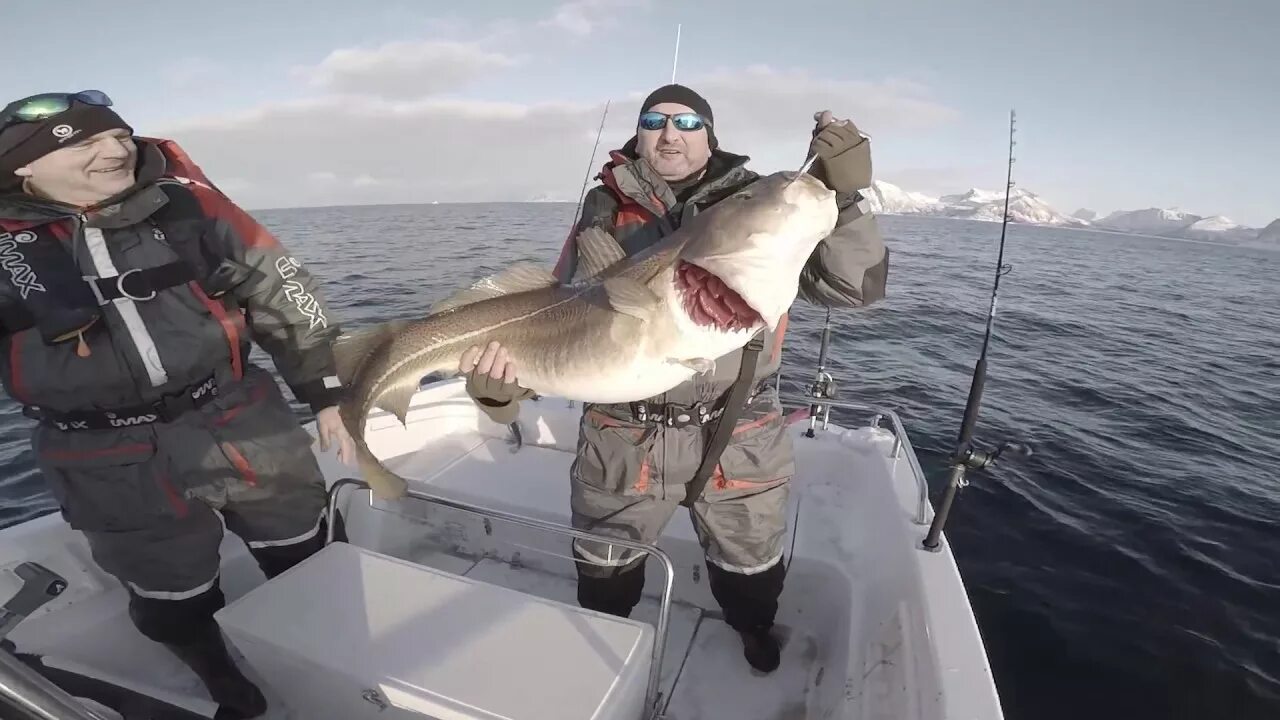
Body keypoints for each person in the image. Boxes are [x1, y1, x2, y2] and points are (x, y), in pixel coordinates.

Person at [460, 84, 887, 673]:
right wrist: (502, 388)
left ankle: (754, 630)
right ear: (638, 135)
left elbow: (854, 287)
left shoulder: (757, 202)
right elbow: (557, 322)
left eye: (687, 121)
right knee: (606, 572)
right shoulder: (602, 211)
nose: (670, 132)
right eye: (654, 120)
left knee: (751, 570)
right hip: (621, 435)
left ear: (710, 134)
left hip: (740, 434)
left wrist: (847, 198)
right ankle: (606, 649)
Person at [0, 90, 355, 719]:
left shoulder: (188, 206)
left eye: (118, 135)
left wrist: (325, 393)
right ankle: (225, 684)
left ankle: (334, 652)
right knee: (171, 599)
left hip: (238, 417)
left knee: (305, 549)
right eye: (83, 143)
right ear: (23, 165)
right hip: (101, 454)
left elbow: (284, 291)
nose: (115, 148)